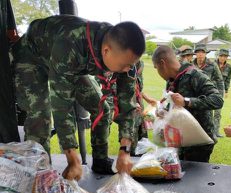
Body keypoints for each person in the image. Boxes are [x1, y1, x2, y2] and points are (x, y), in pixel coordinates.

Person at [11, 15, 145, 180]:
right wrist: (72, 157)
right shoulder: (71, 44)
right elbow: (62, 104)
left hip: (70, 65)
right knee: (41, 114)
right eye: (125, 66)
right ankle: (39, 174)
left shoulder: (125, 56)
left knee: (102, 107)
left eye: (131, 65)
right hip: (32, 57)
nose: (127, 69)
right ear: (106, 51)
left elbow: (127, 103)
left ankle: (100, 160)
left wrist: (125, 151)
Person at [152, 46, 223, 162]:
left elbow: (217, 100)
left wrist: (187, 101)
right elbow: (174, 105)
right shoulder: (171, 81)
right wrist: (164, 110)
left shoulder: (195, 75)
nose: (157, 72)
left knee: (195, 178)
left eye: (156, 68)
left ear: (162, 63)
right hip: (181, 140)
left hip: (199, 142)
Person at [193, 44, 224, 138]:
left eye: (203, 52)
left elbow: (219, 80)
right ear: (195, 53)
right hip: (194, 95)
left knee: (208, 118)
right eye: (198, 52)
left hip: (207, 95)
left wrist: (220, 95)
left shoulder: (212, 64)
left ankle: (210, 137)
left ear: (206, 53)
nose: (201, 54)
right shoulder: (191, 64)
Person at [215, 48, 231, 137]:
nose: (223, 58)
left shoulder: (229, 67)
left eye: (225, 56)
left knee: (218, 112)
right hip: (210, 90)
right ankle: (208, 131)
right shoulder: (212, 64)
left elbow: (228, 79)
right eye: (221, 56)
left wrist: (226, 90)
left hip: (220, 91)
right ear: (218, 56)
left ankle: (216, 131)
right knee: (208, 112)